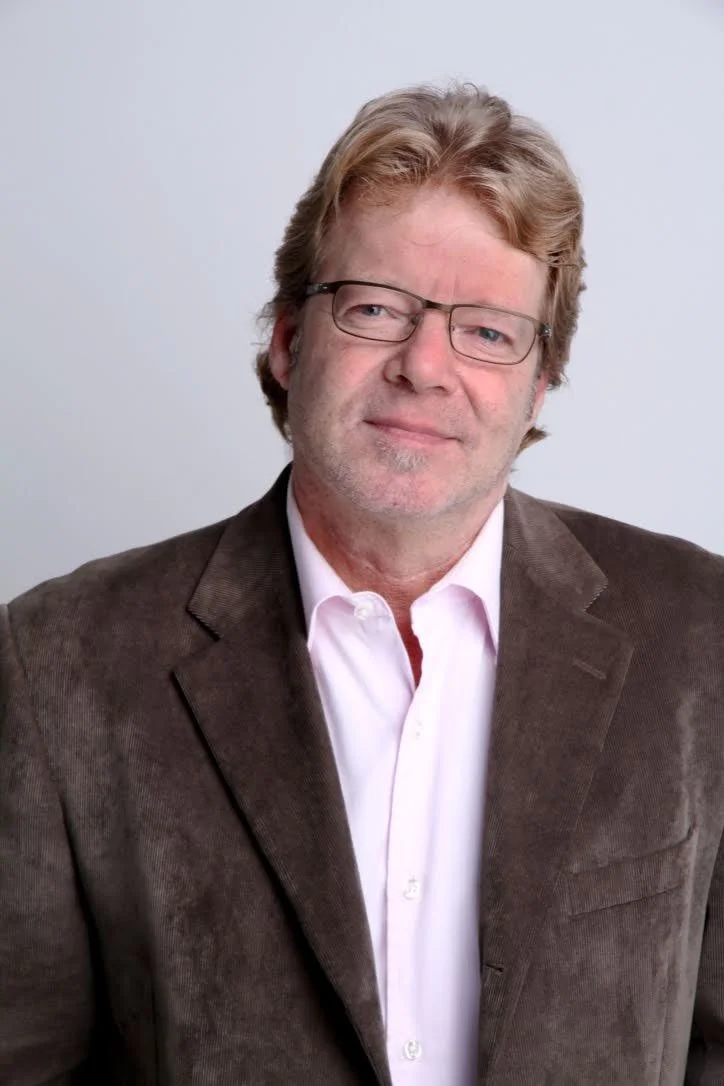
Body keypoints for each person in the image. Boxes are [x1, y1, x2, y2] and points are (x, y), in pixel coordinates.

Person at [1, 83, 722, 1086]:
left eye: (485, 331)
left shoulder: (699, 640)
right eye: (377, 309)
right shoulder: (56, 665)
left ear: (537, 384)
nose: (425, 366)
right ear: (291, 341)